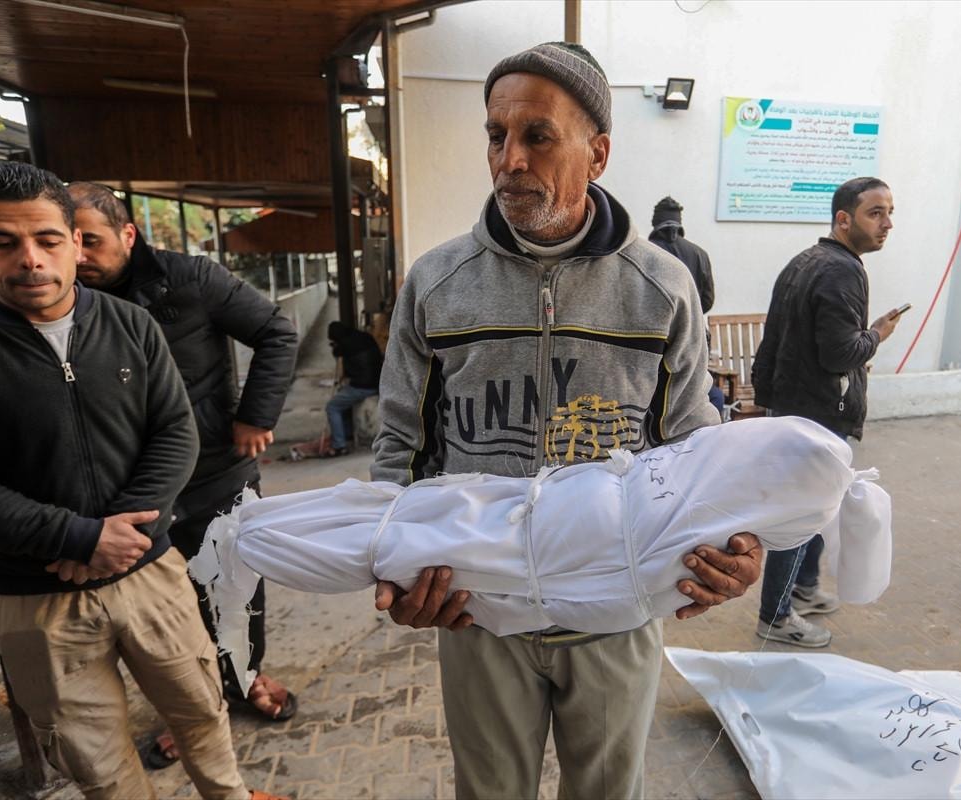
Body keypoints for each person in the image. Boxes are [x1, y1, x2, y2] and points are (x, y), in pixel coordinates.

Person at [370, 41, 763, 800]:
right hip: (478, 612)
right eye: (496, 136)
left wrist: (732, 546)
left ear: (598, 153)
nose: (509, 159)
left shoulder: (661, 288)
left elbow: (692, 447)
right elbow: (402, 443)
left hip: (617, 611)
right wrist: (394, 562)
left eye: (538, 136)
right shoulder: (437, 285)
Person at [0, 163, 280, 800]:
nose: (30, 259)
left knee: (200, 710)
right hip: (36, 596)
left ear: (75, 242)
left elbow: (175, 433)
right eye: (4, 241)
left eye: (48, 239)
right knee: (94, 759)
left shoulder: (131, 325)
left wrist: (125, 533)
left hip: (149, 572)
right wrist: (76, 539)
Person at [66, 182, 300, 768]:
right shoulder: (60, 300)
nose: (77, 255)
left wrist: (254, 416)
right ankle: (193, 709)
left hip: (216, 467)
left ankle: (244, 676)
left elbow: (276, 332)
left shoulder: (190, 278)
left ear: (128, 233)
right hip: (129, 487)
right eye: (67, 241)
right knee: (163, 608)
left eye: (90, 241)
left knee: (234, 585)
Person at [750, 176, 903, 648]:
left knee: (818, 505)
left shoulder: (806, 261)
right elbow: (839, 353)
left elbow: (779, 341)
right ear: (843, 219)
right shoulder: (842, 271)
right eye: (875, 213)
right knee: (801, 514)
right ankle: (776, 616)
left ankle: (805, 587)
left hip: (793, 408)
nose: (887, 224)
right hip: (817, 416)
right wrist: (877, 335)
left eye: (890, 213)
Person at [648, 196, 724, 415]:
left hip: (653, 339)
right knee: (690, 394)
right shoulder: (699, 254)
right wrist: (687, 316)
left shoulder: (645, 254)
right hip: (693, 337)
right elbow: (707, 300)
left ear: (655, 222)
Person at [322, 320, 384, 456]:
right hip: (378, 382)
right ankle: (347, 433)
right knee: (343, 400)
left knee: (332, 407)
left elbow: (337, 354)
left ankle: (339, 445)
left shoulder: (344, 344)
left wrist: (335, 346)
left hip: (362, 386)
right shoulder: (365, 336)